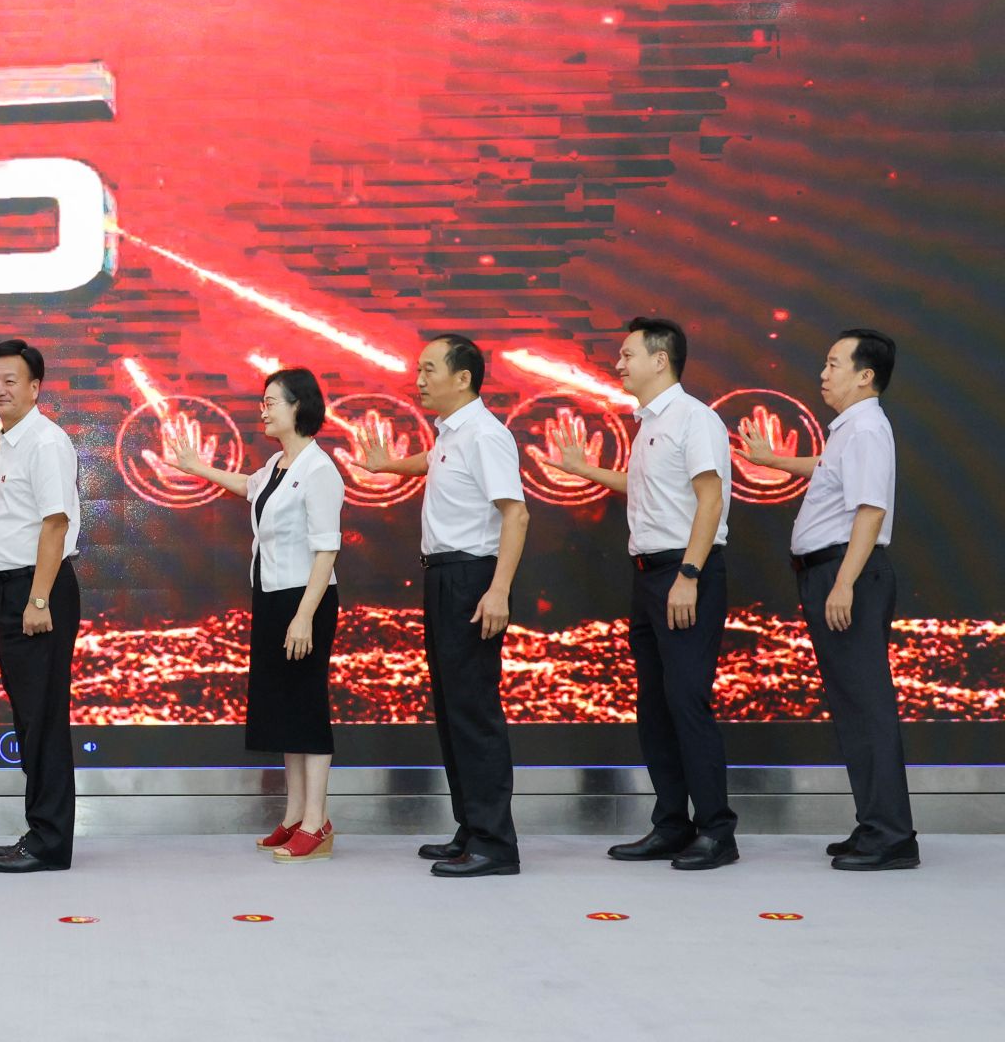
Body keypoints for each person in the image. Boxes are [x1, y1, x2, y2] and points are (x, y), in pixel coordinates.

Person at [549, 316, 738, 870]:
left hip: (684, 572)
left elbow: (710, 499)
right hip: (648, 575)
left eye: (628, 355)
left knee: (687, 702)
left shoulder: (694, 418)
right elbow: (646, 488)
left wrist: (690, 574)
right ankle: (672, 824)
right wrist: (586, 470)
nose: (619, 364)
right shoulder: (650, 423)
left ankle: (717, 831)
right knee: (655, 707)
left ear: (661, 360)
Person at [350, 335, 529, 877]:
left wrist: (498, 590)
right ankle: (471, 828)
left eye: (429, 370)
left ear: (463, 378)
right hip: (444, 577)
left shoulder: (486, 434)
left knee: (473, 712)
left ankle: (496, 844)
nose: (419, 380)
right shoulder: (452, 433)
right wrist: (387, 465)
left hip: (472, 579)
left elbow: (516, 514)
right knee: (453, 711)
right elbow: (432, 462)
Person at [741, 328, 917, 870]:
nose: (823, 373)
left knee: (867, 707)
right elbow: (828, 470)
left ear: (865, 375)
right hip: (833, 573)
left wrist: (844, 582)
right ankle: (875, 825)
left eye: (834, 363)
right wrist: (775, 460)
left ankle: (892, 837)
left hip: (847, 575)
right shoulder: (851, 430)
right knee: (853, 707)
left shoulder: (865, 429)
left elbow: (871, 510)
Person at [164, 368, 345, 863]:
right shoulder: (278, 464)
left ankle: (318, 822)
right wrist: (197, 467)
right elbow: (250, 487)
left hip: (304, 600)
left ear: (298, 406)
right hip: (271, 597)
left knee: (306, 705)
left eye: (270, 402)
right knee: (283, 707)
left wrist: (304, 616)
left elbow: (327, 549)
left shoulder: (320, 470)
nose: (262, 411)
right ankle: (294, 815)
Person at [0, 339, 83, 874]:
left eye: (11, 380)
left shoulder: (45, 442)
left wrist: (38, 598)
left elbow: (55, 524)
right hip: (12, 589)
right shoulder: (12, 440)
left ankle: (50, 842)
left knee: (43, 718)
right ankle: (39, 831)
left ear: (35, 387)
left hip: (36, 592)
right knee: (30, 717)